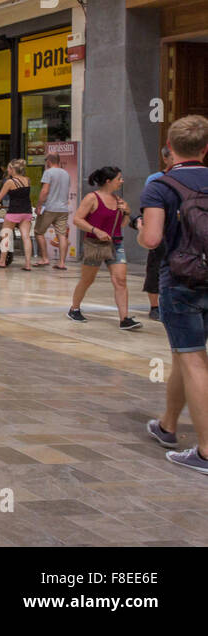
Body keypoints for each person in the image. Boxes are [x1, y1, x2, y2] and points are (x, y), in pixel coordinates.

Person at [138, 114, 208, 473]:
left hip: (180, 282)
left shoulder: (160, 185)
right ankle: (167, 425)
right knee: (185, 354)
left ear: (169, 149)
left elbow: (151, 239)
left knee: (194, 360)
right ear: (205, 148)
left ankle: (206, 450)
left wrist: (139, 228)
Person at [68, 165, 140, 330]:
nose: (122, 181)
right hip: (95, 244)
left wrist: (127, 212)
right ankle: (74, 308)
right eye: (119, 179)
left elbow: (122, 225)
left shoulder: (119, 201)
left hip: (116, 243)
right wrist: (96, 231)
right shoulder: (92, 198)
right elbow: (77, 219)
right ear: (109, 181)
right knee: (88, 279)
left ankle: (124, 319)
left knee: (120, 280)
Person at [139, 147, 174, 322]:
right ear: (165, 158)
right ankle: (155, 306)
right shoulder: (155, 180)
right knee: (155, 267)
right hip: (161, 229)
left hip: (182, 231)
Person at [0, 158, 35, 270]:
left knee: (6, 235)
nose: (8, 170)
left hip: (14, 212)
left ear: (12, 169)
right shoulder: (27, 180)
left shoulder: (10, 182)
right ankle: (28, 264)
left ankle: (2, 261)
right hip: (27, 211)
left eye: (9, 168)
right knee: (26, 237)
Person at [33, 153, 72, 269]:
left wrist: (38, 205)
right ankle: (62, 263)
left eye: (46, 160)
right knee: (62, 235)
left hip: (50, 208)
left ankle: (45, 258)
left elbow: (44, 191)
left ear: (49, 161)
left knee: (38, 232)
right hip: (63, 209)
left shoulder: (48, 172)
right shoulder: (66, 173)